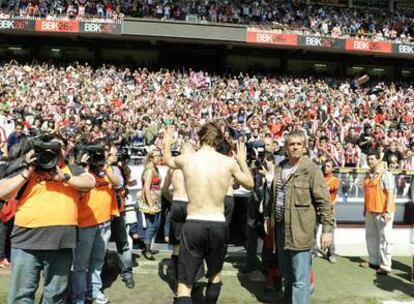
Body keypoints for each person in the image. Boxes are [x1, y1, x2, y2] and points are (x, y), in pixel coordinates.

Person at [163, 122, 254, 304]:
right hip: (217, 224)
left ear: (199, 137)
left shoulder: (188, 159)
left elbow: (168, 160)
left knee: (184, 285)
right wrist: (242, 162)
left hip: (194, 222)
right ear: (219, 139)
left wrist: (167, 141)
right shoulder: (228, 162)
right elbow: (250, 184)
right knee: (215, 276)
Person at [0, 137, 95, 304]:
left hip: (62, 243)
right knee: (21, 295)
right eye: (49, 147)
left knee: (55, 296)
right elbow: (3, 192)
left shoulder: (72, 169)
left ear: (66, 150)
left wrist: (65, 178)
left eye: (59, 147)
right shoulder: (30, 169)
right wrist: (27, 170)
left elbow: (90, 182)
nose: (54, 151)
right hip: (26, 241)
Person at [265, 130, 334, 304]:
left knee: (300, 280)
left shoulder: (311, 170)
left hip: (301, 232)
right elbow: (273, 197)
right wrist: (268, 217)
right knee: (287, 277)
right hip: (281, 230)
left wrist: (327, 230)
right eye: (291, 144)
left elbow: (325, 202)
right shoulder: (280, 168)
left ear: (304, 147)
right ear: (286, 148)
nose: (295, 147)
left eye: (298, 144)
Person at [72, 142, 122, 304]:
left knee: (97, 261)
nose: (100, 158)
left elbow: (118, 183)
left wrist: (106, 167)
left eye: (104, 155)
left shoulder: (109, 171)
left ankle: (94, 291)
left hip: (104, 223)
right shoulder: (81, 171)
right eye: (98, 156)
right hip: (84, 224)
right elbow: (77, 189)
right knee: (81, 264)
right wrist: (84, 167)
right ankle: (79, 296)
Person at [162, 143, 195, 293]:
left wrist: (174, 200)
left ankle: (177, 284)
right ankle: (188, 281)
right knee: (191, 245)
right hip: (189, 203)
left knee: (176, 246)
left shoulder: (173, 166)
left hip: (177, 202)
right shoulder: (195, 165)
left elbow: (164, 190)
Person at [359, 150, 395, 275]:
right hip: (371, 211)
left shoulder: (386, 174)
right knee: (371, 237)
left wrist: (388, 211)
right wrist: (365, 208)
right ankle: (373, 261)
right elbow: (366, 193)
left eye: (372, 159)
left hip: (382, 212)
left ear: (379, 159)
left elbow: (390, 193)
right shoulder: (368, 175)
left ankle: (385, 266)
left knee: (385, 239)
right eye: (368, 159)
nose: (370, 161)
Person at [139, 147, 163, 261]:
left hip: (156, 200)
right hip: (151, 201)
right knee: (151, 226)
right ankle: (147, 249)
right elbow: (147, 188)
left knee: (155, 225)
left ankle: (147, 246)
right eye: (156, 156)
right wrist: (150, 205)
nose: (159, 158)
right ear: (151, 157)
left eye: (159, 155)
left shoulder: (155, 168)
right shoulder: (149, 170)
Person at [317, 159, 340, 264]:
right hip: (317, 209)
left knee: (329, 233)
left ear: (332, 168)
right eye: (325, 165)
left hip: (329, 210)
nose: (326, 167)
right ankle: (313, 251)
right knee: (312, 232)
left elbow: (325, 189)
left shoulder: (334, 180)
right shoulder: (319, 178)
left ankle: (331, 254)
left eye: (328, 166)